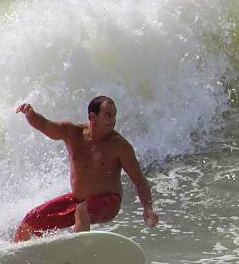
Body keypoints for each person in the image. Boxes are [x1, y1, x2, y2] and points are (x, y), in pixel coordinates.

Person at [13, 96, 158, 242]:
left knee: (82, 210)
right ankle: (17, 256)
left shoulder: (120, 146)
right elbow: (46, 125)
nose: (112, 120)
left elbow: (139, 180)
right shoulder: (72, 133)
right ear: (92, 116)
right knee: (31, 219)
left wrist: (148, 207)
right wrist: (31, 115)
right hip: (78, 200)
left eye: (114, 115)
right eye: (107, 115)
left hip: (108, 202)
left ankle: (77, 257)